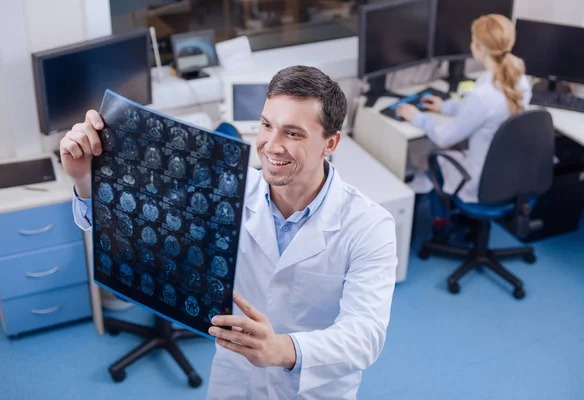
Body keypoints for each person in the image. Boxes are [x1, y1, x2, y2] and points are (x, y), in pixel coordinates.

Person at [61, 65, 398, 399]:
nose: (271, 145)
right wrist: (85, 181)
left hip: (312, 389)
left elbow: (365, 335)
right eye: (267, 125)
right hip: (236, 381)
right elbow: (148, 244)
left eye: (293, 133)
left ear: (330, 143)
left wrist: (283, 348)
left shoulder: (369, 226)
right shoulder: (229, 192)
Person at [395, 14, 532, 240]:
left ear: (479, 48)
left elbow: (444, 137)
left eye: (473, 40)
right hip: (511, 174)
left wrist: (417, 117)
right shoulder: (518, 80)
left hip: (482, 180)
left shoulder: (482, 94)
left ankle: (441, 226)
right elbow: (486, 112)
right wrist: (446, 107)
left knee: (429, 155)